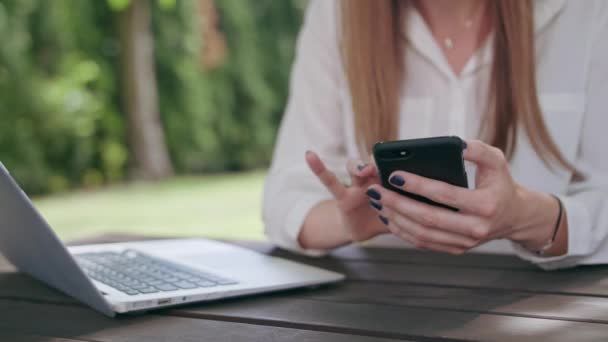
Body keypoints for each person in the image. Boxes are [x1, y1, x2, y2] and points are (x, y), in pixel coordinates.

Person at [263, 0, 608, 270]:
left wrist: (523, 216)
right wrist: (352, 220)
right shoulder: (338, 14)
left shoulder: (588, 13)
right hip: (390, 308)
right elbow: (283, 199)